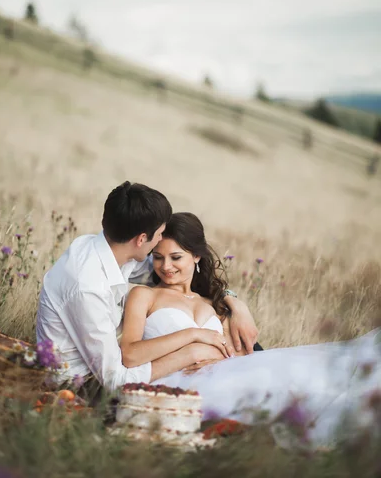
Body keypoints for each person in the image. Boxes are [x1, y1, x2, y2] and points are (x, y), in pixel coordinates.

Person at [120, 212, 381, 448]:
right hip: (181, 382)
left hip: (228, 372)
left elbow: (240, 352)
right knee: (284, 386)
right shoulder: (145, 295)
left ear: (197, 256)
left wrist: (235, 307)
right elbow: (129, 354)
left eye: (176, 257)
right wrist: (193, 337)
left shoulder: (212, 303)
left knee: (306, 372)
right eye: (158, 257)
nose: (166, 266)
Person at [36, 182, 259, 393]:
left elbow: (179, 272)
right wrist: (193, 349)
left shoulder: (111, 250)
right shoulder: (87, 287)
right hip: (80, 384)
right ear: (142, 239)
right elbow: (115, 380)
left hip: (114, 369)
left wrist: (235, 304)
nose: (161, 240)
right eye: (160, 233)